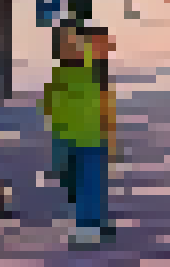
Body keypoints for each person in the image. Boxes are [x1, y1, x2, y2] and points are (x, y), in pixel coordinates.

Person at [40, 24, 120, 246]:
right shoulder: (66, 74)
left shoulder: (91, 71)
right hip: (73, 138)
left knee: (92, 183)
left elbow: (105, 105)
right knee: (81, 183)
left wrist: (109, 135)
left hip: (92, 138)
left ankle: (93, 224)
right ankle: (90, 224)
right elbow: (51, 106)